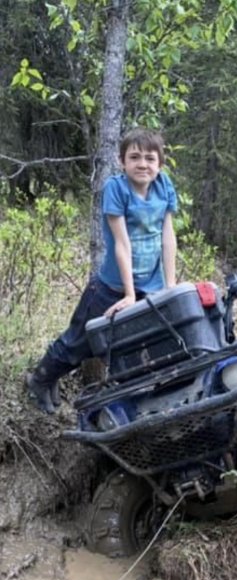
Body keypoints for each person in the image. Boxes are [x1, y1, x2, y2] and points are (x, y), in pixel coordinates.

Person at [26, 127, 178, 414]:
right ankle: (40, 379)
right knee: (78, 343)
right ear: (122, 162)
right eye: (134, 157)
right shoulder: (115, 188)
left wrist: (169, 286)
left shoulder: (164, 185)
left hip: (151, 287)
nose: (142, 164)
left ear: (160, 164)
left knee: (135, 348)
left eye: (150, 158)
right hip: (111, 289)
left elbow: (168, 236)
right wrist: (129, 293)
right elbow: (121, 244)